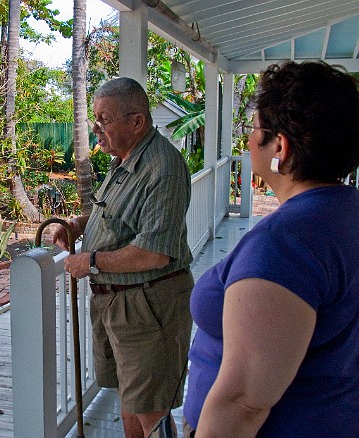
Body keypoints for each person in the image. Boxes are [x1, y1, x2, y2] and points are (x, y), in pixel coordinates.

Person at [183, 61, 359, 437]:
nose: (248, 140)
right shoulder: (345, 212)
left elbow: (243, 402)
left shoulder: (284, 245)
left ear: (280, 145)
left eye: (253, 129)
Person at [53, 77, 194, 438]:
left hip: (147, 305)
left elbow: (155, 251)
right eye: (95, 119)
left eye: (104, 119)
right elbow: (120, 218)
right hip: (118, 303)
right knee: (131, 399)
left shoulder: (163, 167)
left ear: (136, 122)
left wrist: (92, 261)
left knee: (151, 410)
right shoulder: (126, 158)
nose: (96, 128)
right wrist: (79, 225)